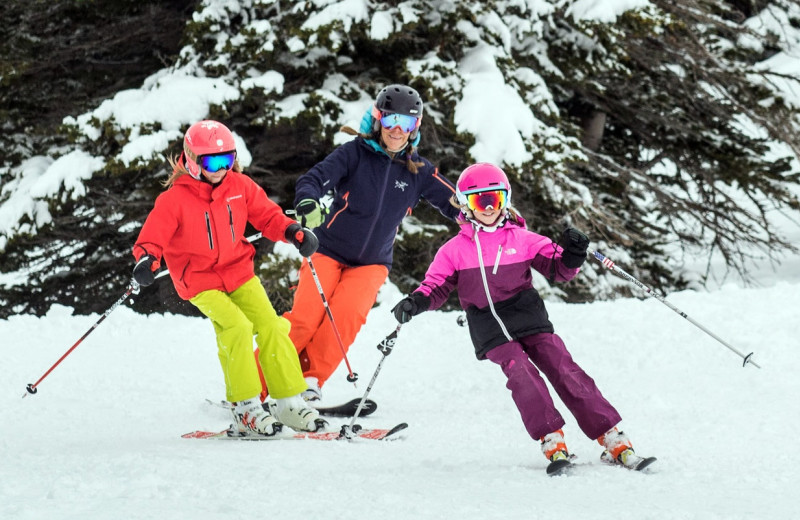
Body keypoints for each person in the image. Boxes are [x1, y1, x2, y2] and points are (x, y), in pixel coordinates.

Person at [391, 162, 649, 469]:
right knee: (520, 370)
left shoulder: (522, 239)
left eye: (494, 199)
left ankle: (611, 435)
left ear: (505, 200)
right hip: (489, 326)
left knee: (562, 366)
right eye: (478, 200)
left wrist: (572, 255)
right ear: (464, 204)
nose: (488, 208)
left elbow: (559, 270)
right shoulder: (454, 250)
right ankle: (552, 438)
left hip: (529, 318)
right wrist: (415, 302)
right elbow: (435, 287)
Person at [131, 119, 326, 436]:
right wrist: (147, 260)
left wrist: (292, 231)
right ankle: (246, 408)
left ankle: (288, 401)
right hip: (198, 282)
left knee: (272, 326)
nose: (220, 168)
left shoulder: (240, 186)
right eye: (212, 161)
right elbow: (152, 237)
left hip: (238, 273)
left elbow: (267, 215)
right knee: (236, 327)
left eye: (227, 160)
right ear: (192, 160)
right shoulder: (173, 200)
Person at [282, 84, 461, 401]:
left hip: (371, 263)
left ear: (415, 127)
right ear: (378, 119)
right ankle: (257, 384)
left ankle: (309, 381)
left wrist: (485, 214)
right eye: (391, 119)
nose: (396, 129)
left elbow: (456, 203)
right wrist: (308, 202)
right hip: (326, 249)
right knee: (305, 318)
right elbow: (313, 180)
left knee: (345, 320)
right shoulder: (354, 153)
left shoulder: (418, 171)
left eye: (406, 123)